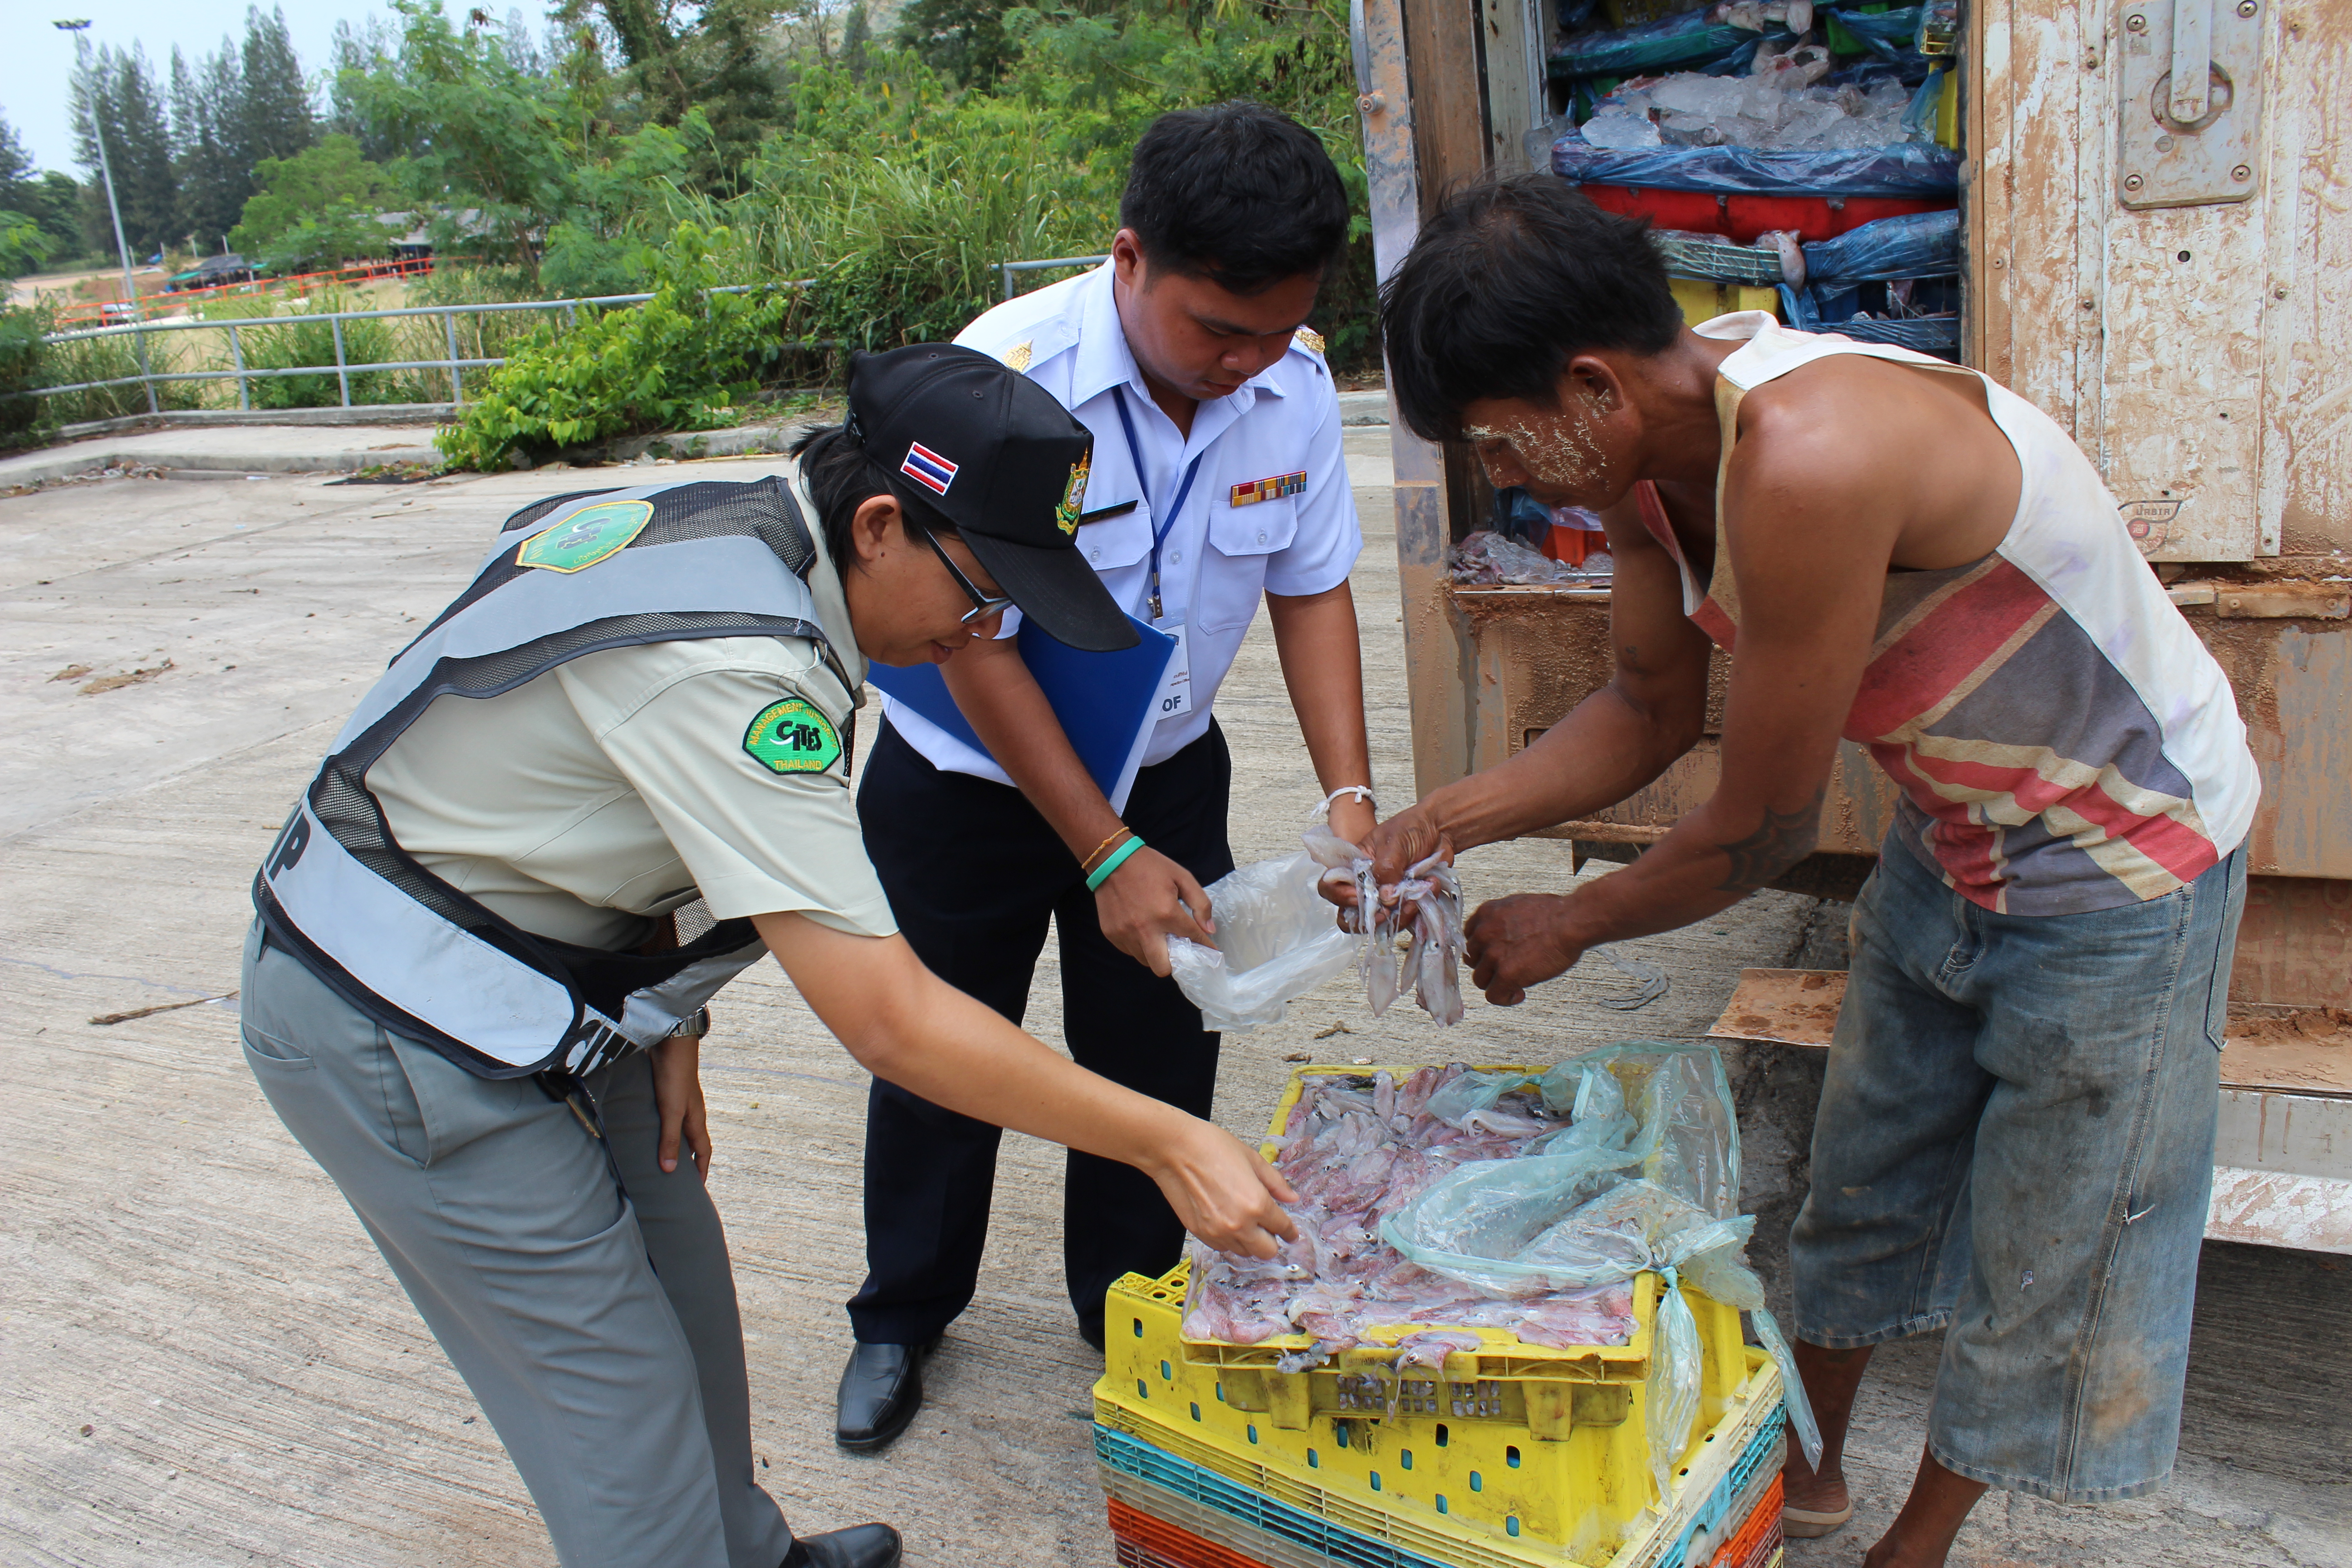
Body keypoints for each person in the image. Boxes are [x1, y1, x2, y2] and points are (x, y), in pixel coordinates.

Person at [238, 344, 1298, 1568]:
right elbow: (891, 1021)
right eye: (983, 593)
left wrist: (673, 1016)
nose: (984, 632)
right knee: (615, 1407)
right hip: (406, 1020)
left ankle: (748, 1552)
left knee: (685, 1297)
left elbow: (600, 774)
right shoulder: (741, 670)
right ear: (882, 526)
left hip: (566, 972)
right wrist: (1169, 1140)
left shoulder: (739, 529)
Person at [1365, 174, 2255, 1568]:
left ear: (1590, 386)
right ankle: (1812, 1468)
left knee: (2050, 1253)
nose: (1508, 476)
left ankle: (1918, 1547)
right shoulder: (1644, 463)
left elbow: (1767, 822)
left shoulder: (1807, 456)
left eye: (1498, 441)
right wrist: (1443, 822)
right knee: (1864, 1184)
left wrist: (1578, 921)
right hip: (1955, 832)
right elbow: (1647, 707)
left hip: (2123, 859)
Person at [835, 100, 1374, 1452]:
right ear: (1128, 258)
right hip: (967, 785)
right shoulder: (1003, 384)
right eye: (1218, 330)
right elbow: (969, 637)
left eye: (1278, 332)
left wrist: (1351, 801)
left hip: (1168, 774)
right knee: (944, 1048)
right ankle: (903, 1312)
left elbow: (1312, 589)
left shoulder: (1293, 389)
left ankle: (1127, 1304)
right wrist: (1103, 852)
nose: (1246, 364)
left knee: (1158, 1051)